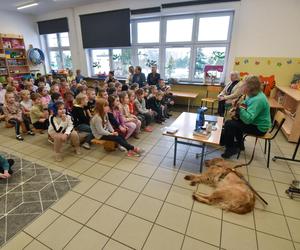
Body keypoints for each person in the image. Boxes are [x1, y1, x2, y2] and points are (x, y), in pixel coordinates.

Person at [221, 75, 271, 158]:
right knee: (234, 121)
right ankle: (239, 144)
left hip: (259, 128)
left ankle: (230, 148)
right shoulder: (253, 94)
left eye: (244, 85)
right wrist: (237, 108)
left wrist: (239, 108)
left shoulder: (258, 99)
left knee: (230, 124)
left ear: (250, 87)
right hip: (254, 122)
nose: (241, 86)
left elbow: (248, 119)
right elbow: (245, 106)